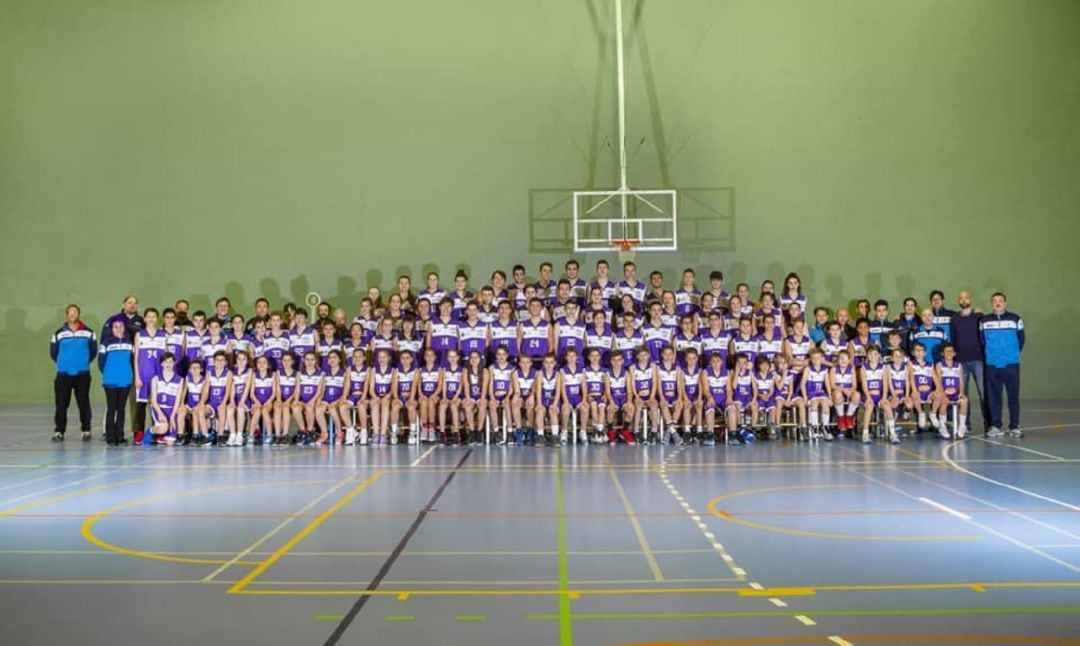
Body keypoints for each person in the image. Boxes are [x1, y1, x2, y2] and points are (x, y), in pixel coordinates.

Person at [50, 305, 97, 442]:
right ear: (66, 315)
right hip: (63, 374)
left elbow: (93, 352)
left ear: (79, 314)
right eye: (70, 312)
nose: (72, 314)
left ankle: (86, 430)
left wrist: (82, 362)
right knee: (61, 404)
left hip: (82, 374)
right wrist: (64, 363)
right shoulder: (58, 333)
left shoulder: (89, 332)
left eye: (75, 312)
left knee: (83, 402)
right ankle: (59, 431)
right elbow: (53, 353)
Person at [981, 292, 1025, 438]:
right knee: (994, 397)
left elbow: (1021, 340)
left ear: (1005, 303)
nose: (998, 303)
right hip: (992, 365)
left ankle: (1014, 426)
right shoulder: (984, 321)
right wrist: (992, 354)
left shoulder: (1015, 319)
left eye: (1000, 301)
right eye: (995, 301)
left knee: (1013, 396)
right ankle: (996, 426)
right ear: (991, 303)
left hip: (1012, 364)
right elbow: (983, 341)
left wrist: (1011, 354)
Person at [951, 290, 987, 431]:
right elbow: (953, 340)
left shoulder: (979, 316)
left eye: (966, 297)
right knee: (963, 393)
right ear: (958, 301)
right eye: (961, 298)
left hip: (978, 360)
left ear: (970, 299)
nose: (964, 300)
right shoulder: (954, 319)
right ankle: (965, 424)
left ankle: (989, 423)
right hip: (961, 361)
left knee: (983, 392)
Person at [97, 318, 132, 446]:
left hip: (126, 380)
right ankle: (110, 437)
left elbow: (132, 360)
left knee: (121, 409)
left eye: (121, 326)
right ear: (111, 329)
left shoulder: (129, 342)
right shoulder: (106, 343)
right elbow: (101, 362)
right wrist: (109, 373)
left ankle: (120, 436)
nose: (118, 329)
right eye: (115, 326)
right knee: (112, 408)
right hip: (110, 380)